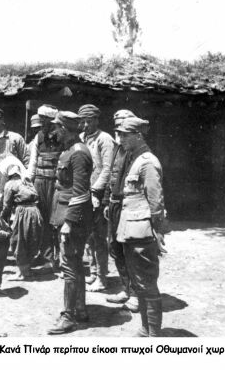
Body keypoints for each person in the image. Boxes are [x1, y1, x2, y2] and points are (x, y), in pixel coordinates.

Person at [115, 116, 166, 337]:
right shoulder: (134, 159)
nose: (121, 139)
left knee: (147, 282)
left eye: (125, 135)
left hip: (142, 231)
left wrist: (158, 231)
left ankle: (153, 332)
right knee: (138, 281)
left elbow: (156, 202)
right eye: (119, 134)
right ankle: (146, 328)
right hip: (130, 229)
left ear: (138, 135)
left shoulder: (147, 162)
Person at [47, 111, 93, 335]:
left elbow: (81, 191)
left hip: (73, 216)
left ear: (65, 128)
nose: (53, 132)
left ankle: (68, 317)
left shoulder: (79, 153)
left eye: (56, 128)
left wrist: (70, 222)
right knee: (74, 263)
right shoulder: (68, 150)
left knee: (69, 266)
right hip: (63, 211)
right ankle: (80, 309)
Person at [104, 110, 139, 312]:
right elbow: (112, 175)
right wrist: (108, 201)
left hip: (128, 204)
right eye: (116, 124)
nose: (119, 129)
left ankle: (136, 293)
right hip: (115, 202)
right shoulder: (117, 148)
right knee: (115, 248)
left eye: (123, 124)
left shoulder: (135, 150)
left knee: (130, 250)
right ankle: (126, 288)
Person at [78, 104, 116, 292]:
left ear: (97, 120)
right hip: (84, 192)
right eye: (82, 121)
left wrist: (95, 190)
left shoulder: (104, 139)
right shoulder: (82, 139)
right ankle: (93, 272)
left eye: (89, 121)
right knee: (89, 237)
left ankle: (102, 277)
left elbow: (107, 169)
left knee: (100, 237)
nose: (85, 125)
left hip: (98, 194)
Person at [27, 105, 61, 272]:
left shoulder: (62, 136)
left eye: (45, 120)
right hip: (40, 182)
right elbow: (33, 161)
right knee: (42, 220)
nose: (42, 123)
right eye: (41, 120)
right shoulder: (38, 137)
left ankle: (59, 258)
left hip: (56, 183)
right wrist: (29, 181)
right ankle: (46, 255)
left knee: (56, 220)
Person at [0, 155, 42, 280]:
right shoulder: (27, 181)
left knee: (19, 241)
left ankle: (23, 273)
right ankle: (26, 269)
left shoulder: (10, 184)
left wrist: (2, 218)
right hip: (35, 212)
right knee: (30, 239)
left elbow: (6, 205)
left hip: (23, 213)